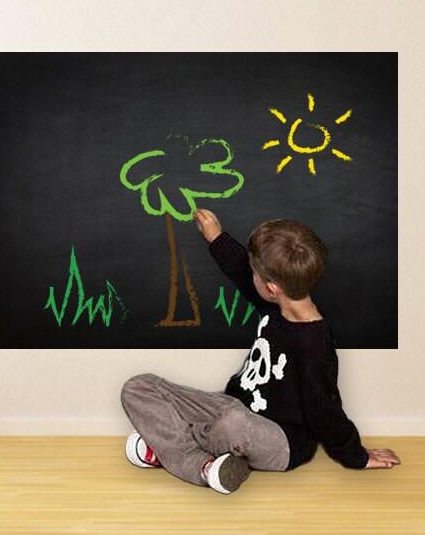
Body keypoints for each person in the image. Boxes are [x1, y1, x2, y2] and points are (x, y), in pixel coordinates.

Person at [120, 208, 401, 494]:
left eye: (255, 272)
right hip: (231, 405)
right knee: (138, 387)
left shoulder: (314, 344)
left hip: (280, 440)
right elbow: (241, 268)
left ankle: (189, 460)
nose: (248, 273)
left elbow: (325, 412)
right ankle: (210, 461)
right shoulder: (274, 303)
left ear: (271, 287)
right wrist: (215, 236)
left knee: (230, 424)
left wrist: (358, 456)